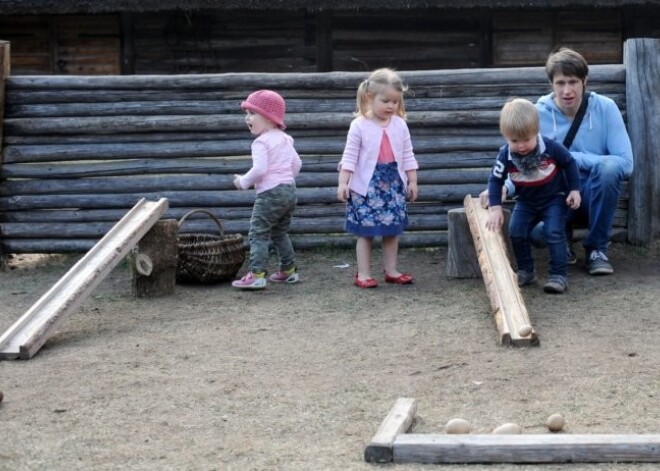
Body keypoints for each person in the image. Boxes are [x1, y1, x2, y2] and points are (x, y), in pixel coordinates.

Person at [481, 48, 633, 276]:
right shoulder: (538, 113)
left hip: (594, 194)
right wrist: (505, 187)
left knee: (609, 168)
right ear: (551, 83)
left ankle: (596, 249)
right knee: (539, 234)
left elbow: (625, 163)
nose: (567, 90)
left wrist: (571, 158)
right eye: (560, 83)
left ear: (585, 81)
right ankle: (563, 242)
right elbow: (521, 158)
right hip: (555, 196)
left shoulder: (606, 108)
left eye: (573, 82)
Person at [486, 98, 581, 294]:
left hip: (553, 198)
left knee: (554, 232)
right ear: (505, 137)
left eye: (526, 139)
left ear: (536, 132)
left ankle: (558, 275)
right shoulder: (505, 155)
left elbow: (570, 163)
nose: (521, 146)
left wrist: (574, 189)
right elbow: (495, 181)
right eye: (514, 141)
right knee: (516, 230)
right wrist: (495, 208)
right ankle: (526, 271)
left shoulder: (550, 148)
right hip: (526, 200)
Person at [337, 68, 419, 288]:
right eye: (386, 101)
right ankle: (363, 274)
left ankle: (391, 270)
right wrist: (343, 183)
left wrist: (412, 181)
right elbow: (350, 156)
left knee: (392, 232)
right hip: (366, 188)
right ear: (369, 97)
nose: (391, 106)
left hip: (393, 186)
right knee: (366, 233)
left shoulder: (400, 125)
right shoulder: (359, 125)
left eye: (395, 101)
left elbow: (407, 153)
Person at [232, 90, 302, 290]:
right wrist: (284, 180)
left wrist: (243, 182)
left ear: (269, 117)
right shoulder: (285, 139)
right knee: (280, 232)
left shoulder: (261, 142)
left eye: (252, 113)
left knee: (258, 234)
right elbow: (297, 164)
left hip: (270, 194)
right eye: (246, 113)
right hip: (289, 191)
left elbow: (260, 169)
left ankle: (257, 274)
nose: (247, 118)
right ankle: (288, 271)